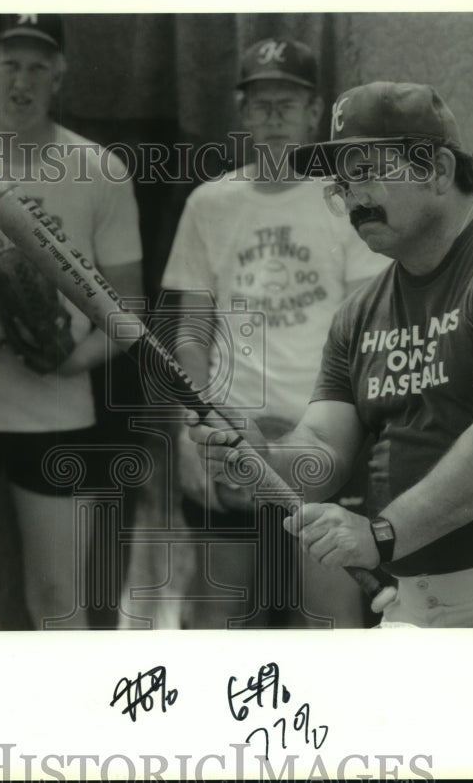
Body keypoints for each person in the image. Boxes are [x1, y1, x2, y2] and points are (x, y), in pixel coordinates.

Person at [189, 81, 473, 628]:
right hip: (420, 600)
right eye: (341, 180)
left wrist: (380, 533)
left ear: (438, 171)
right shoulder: (357, 315)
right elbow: (322, 452)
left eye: (367, 170)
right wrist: (266, 456)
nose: (352, 196)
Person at [0, 14, 143, 630]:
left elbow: (128, 311)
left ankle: (69, 722)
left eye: (38, 65)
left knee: (57, 594)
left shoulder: (99, 169)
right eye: (9, 62)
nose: (23, 79)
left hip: (57, 413)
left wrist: (77, 358)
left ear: (60, 75)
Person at [161, 39, 388, 629]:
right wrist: (203, 415)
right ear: (242, 114)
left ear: (314, 112)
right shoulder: (209, 203)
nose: (274, 118)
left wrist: (331, 427)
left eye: (287, 103)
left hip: (323, 441)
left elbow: (370, 331)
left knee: (329, 620)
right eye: (261, 104)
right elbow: (191, 327)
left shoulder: (343, 202)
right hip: (230, 436)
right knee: (222, 616)